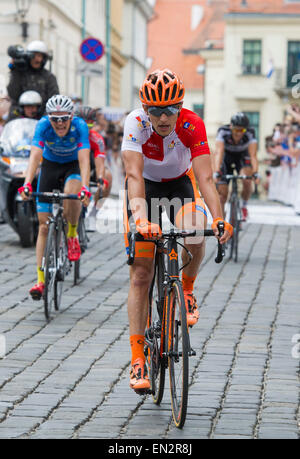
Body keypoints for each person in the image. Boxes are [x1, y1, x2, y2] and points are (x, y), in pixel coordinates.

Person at [121, 68, 233, 392]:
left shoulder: (191, 124)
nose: (163, 117)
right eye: (156, 110)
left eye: (170, 109)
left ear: (180, 107)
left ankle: (186, 288)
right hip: (143, 190)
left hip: (180, 187)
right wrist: (141, 219)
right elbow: (133, 175)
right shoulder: (135, 124)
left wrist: (219, 218)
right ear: (145, 110)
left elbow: (206, 178)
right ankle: (138, 357)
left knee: (196, 230)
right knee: (141, 274)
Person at [18, 95, 91, 301]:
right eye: (55, 119)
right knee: (43, 226)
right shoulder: (43, 126)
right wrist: (27, 183)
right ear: (49, 118)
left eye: (64, 118)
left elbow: (84, 159)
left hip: (72, 166)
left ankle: (72, 234)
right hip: (50, 166)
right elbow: (34, 156)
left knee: (72, 192)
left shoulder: (80, 126)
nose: (59, 123)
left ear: (71, 116)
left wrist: (85, 187)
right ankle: (40, 281)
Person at [214, 112, 259, 220]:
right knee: (222, 194)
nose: (238, 134)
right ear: (231, 127)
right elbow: (219, 152)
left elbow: (253, 155)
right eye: (236, 130)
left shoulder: (250, 132)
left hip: (242, 157)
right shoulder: (223, 131)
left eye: (242, 130)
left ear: (246, 130)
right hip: (226, 158)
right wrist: (216, 171)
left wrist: (256, 173)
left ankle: (244, 206)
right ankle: (221, 221)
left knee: (247, 180)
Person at [7, 40, 59, 119]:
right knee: (12, 115)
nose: (36, 59)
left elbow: (54, 100)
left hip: (41, 116)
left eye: (39, 56)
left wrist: (45, 116)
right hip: (20, 116)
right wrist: (15, 71)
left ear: (44, 58)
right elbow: (13, 94)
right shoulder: (20, 73)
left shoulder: (49, 77)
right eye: (33, 55)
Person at [75, 105, 112, 200]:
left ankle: (94, 212)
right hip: (72, 167)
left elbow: (100, 164)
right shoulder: (69, 136)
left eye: (90, 124)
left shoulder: (97, 139)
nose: (85, 128)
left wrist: (101, 178)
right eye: (82, 124)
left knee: (107, 176)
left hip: (90, 167)